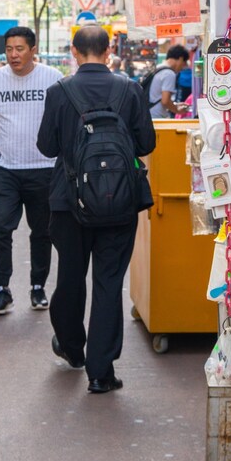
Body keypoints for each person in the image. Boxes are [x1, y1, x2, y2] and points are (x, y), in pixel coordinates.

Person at [36, 26, 155, 393]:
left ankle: (72, 347)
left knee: (71, 278)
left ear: (74, 52)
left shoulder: (59, 92)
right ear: (108, 51)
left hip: (69, 202)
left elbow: (47, 147)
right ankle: (101, 372)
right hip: (119, 202)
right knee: (108, 284)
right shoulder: (130, 89)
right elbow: (146, 142)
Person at [0, 26, 62, 315]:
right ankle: (2, 289)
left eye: (19, 49)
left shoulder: (53, 79)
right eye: (9, 49)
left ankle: (38, 286)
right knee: (0, 228)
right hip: (6, 168)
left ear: (33, 49)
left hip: (44, 168)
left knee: (42, 232)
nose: (13, 55)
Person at [149, 45, 190, 118]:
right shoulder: (169, 73)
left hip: (149, 114)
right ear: (180, 59)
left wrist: (175, 105)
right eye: (183, 64)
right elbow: (165, 101)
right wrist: (177, 110)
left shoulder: (158, 68)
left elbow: (158, 97)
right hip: (157, 117)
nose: (182, 68)